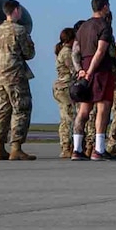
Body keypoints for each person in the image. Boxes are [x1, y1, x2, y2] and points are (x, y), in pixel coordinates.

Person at [72, 0, 116, 161]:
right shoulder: (104, 25)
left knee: (83, 111)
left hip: (84, 68)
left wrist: (81, 71)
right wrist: (91, 70)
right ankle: (99, 149)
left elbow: (75, 51)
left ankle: (76, 149)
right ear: (105, 7)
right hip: (100, 70)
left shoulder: (83, 26)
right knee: (103, 109)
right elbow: (101, 50)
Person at [0, 1, 37, 160]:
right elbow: (29, 53)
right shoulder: (19, 30)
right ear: (16, 11)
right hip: (16, 76)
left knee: (2, 111)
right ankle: (16, 147)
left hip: (0, 77)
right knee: (21, 110)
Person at [52, 27, 77, 159]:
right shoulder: (67, 52)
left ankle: (65, 146)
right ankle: (67, 147)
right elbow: (74, 69)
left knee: (64, 118)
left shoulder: (62, 51)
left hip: (60, 87)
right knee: (69, 118)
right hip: (65, 87)